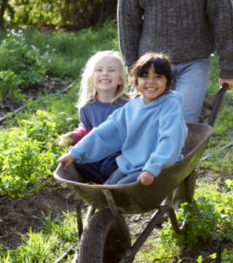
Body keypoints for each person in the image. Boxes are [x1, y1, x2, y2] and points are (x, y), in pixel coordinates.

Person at [57, 52, 188, 186]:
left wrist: (152, 167)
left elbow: (169, 139)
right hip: (130, 164)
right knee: (107, 188)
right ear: (135, 80)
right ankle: (108, 201)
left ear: (167, 81)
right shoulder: (131, 107)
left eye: (158, 77)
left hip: (157, 167)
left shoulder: (170, 105)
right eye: (144, 76)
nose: (151, 81)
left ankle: (118, 204)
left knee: (119, 190)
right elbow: (105, 133)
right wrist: (76, 153)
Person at [58, 50, 128, 183]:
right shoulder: (87, 106)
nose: (105, 73)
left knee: (108, 167)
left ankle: (109, 185)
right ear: (91, 78)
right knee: (77, 160)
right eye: (99, 70)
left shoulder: (128, 105)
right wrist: (75, 135)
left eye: (111, 70)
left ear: (120, 79)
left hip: (119, 152)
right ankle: (104, 185)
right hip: (98, 151)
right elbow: (86, 129)